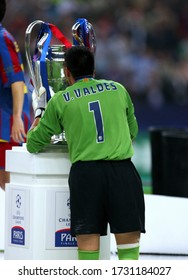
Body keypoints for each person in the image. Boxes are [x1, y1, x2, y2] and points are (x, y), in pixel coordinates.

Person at [26, 45, 145, 260]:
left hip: (86, 175)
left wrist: (36, 120)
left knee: (88, 248)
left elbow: (33, 144)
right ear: (93, 69)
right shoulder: (118, 89)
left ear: (66, 72)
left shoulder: (60, 100)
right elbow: (133, 131)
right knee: (129, 248)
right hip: (122, 172)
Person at [0, 0, 30, 190]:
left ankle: (26, 220)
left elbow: (17, 80)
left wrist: (17, 117)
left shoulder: (2, 38)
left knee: (10, 184)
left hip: (6, 123)